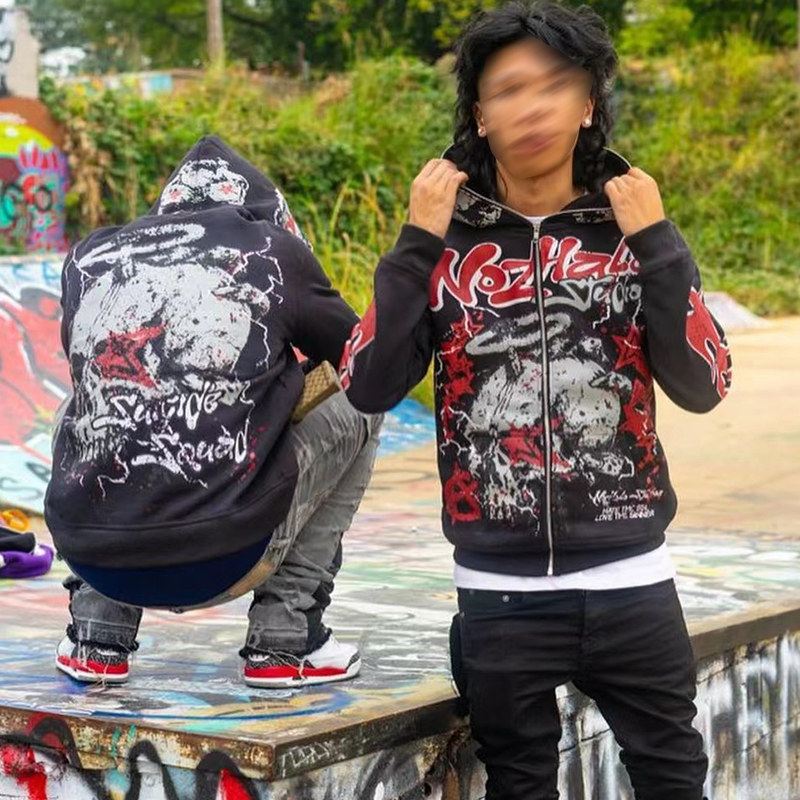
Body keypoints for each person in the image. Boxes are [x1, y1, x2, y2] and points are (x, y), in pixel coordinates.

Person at [341, 2, 731, 797]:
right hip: (500, 594)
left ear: (588, 103)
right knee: (518, 782)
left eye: (554, 85)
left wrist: (659, 244)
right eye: (508, 89)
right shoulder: (445, 240)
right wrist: (415, 243)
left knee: (673, 776)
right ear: (479, 114)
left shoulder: (631, 229)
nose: (533, 107)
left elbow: (705, 384)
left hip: (633, 578)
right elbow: (368, 384)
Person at [46, 135, 382, 688]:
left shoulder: (89, 256)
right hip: (227, 556)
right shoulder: (270, 248)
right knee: (362, 397)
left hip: (98, 561)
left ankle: (95, 637)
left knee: (85, 403)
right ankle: (287, 638)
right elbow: (360, 359)